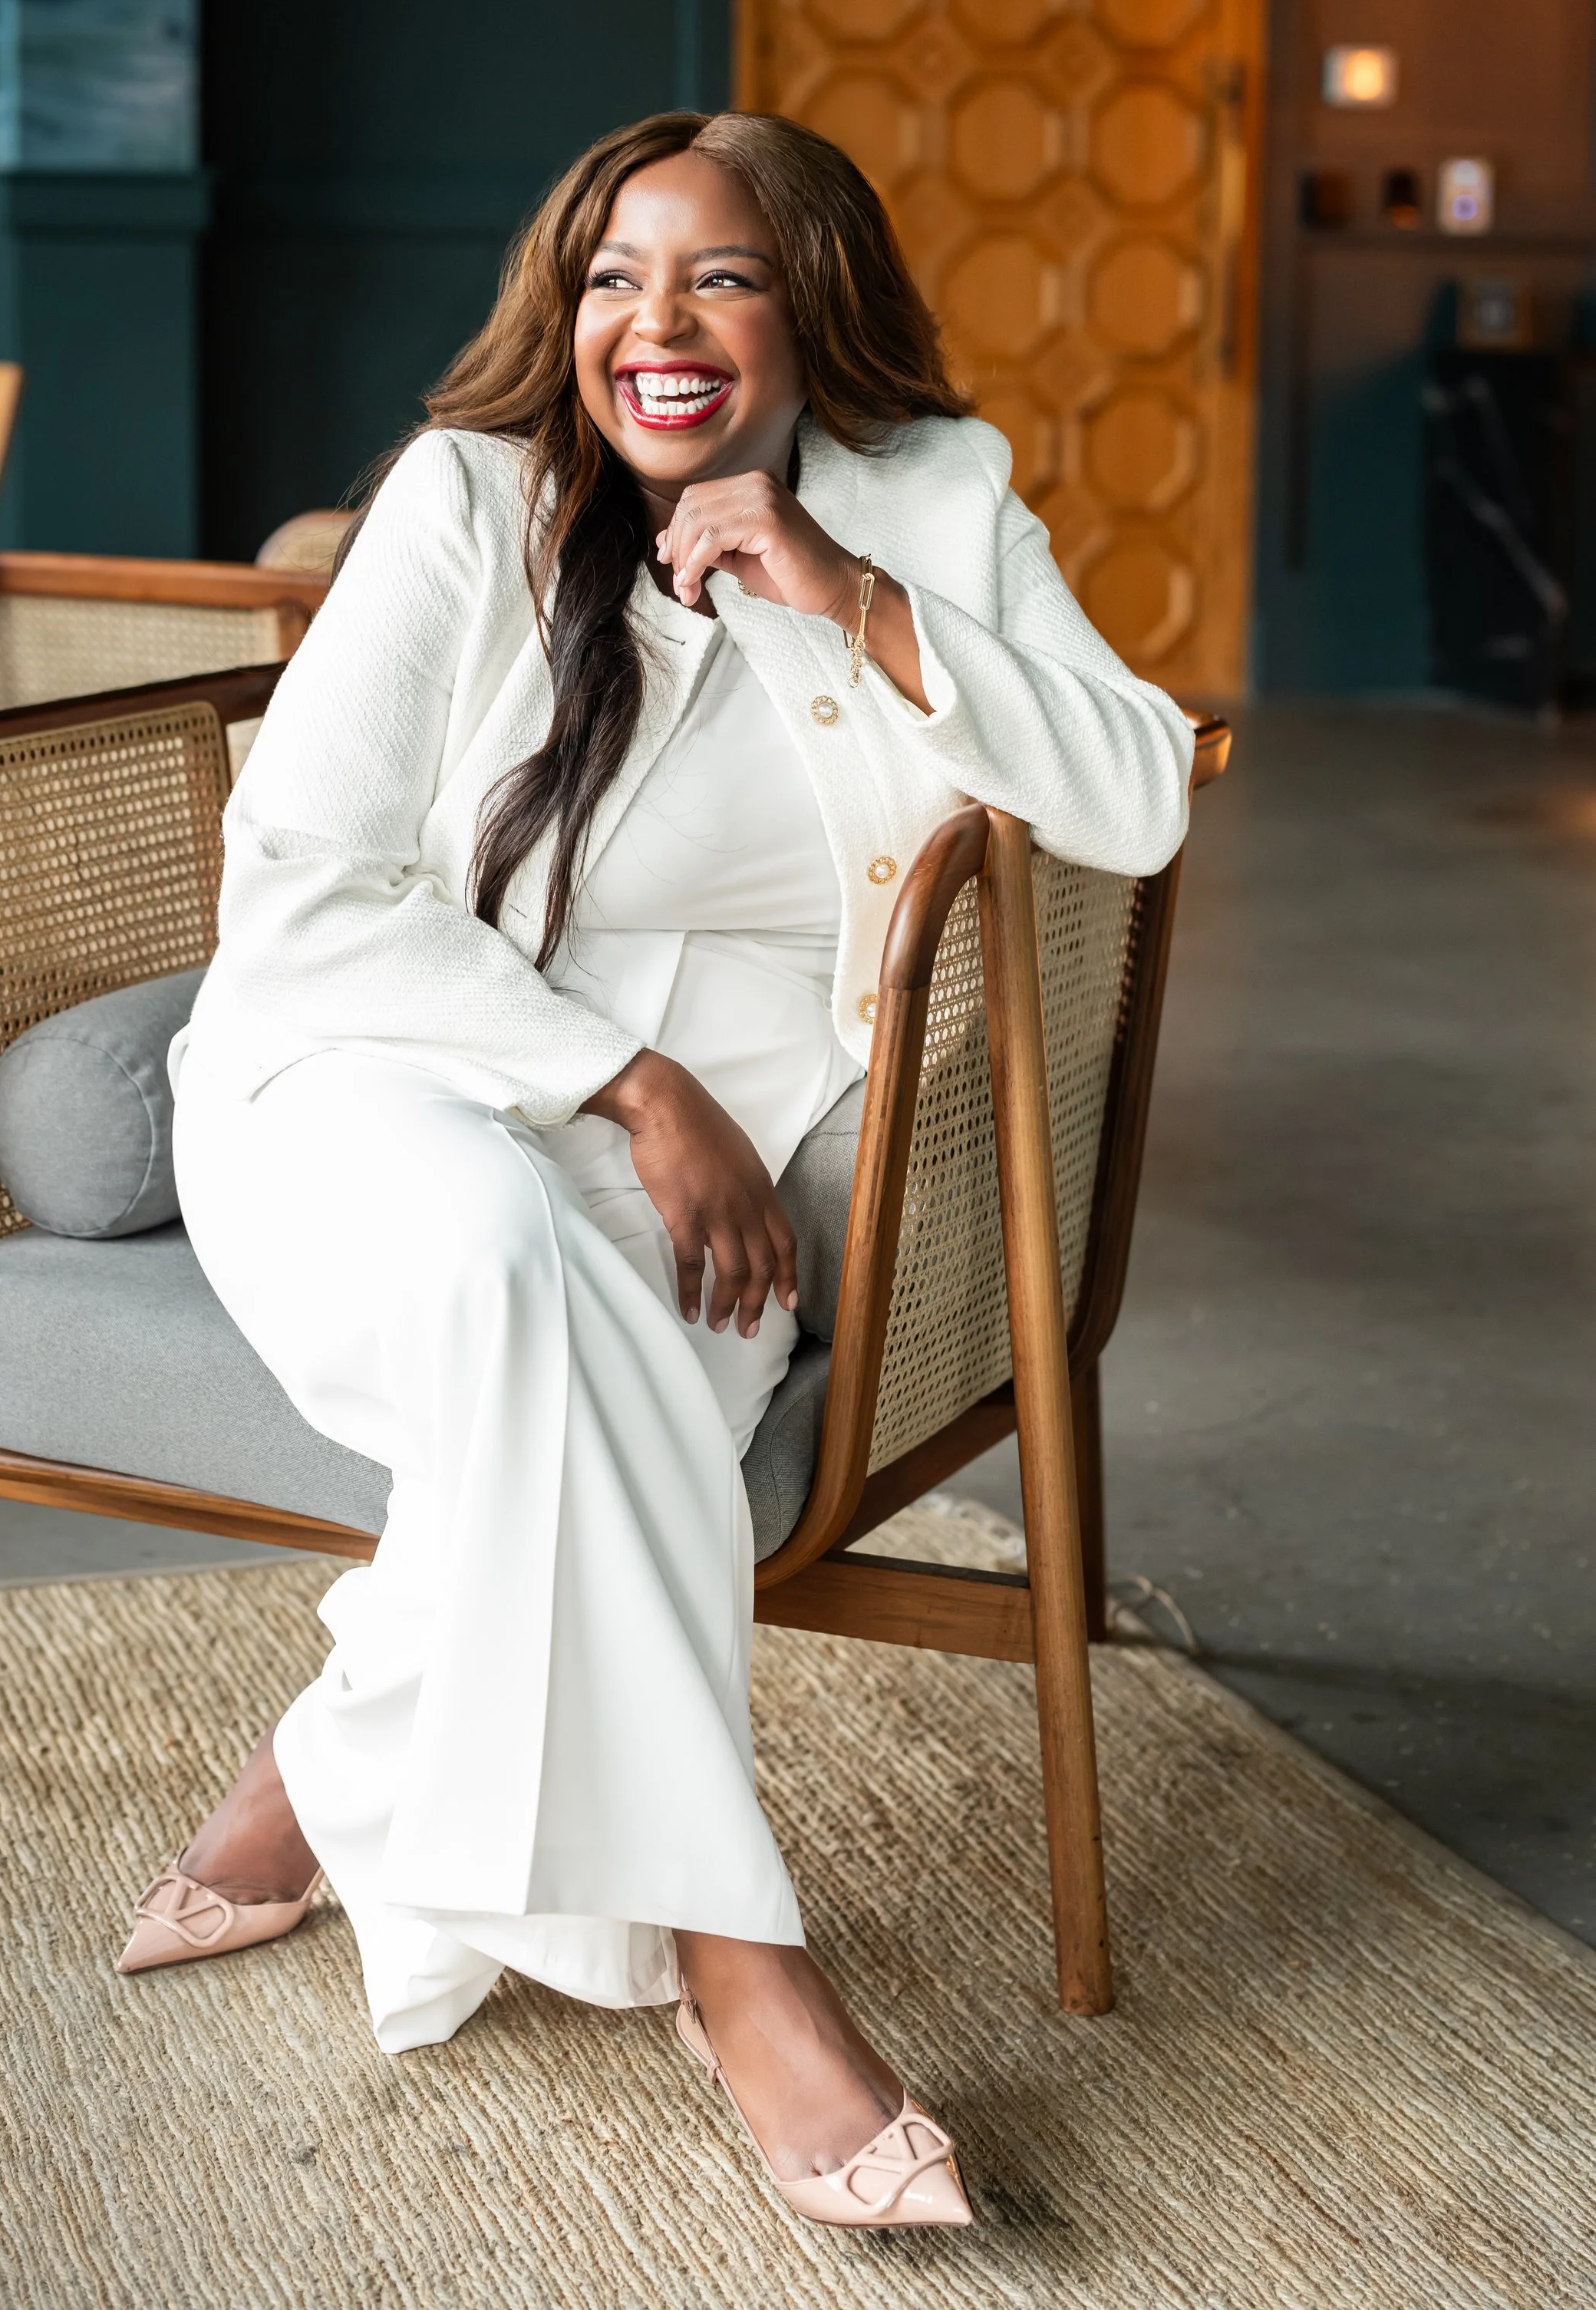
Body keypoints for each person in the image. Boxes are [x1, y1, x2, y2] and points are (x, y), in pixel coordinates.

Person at [120, 111, 1192, 2234]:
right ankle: (739, 1960)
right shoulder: (464, 499)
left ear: (813, 298)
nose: (654, 324)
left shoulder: (935, 501)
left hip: (759, 1115)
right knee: (516, 1266)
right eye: (612, 277)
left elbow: (1140, 796)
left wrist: (859, 601)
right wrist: (627, 1083)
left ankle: (339, 1755)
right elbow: (303, 896)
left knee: (589, 1360)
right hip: (378, 1063)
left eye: (715, 275)